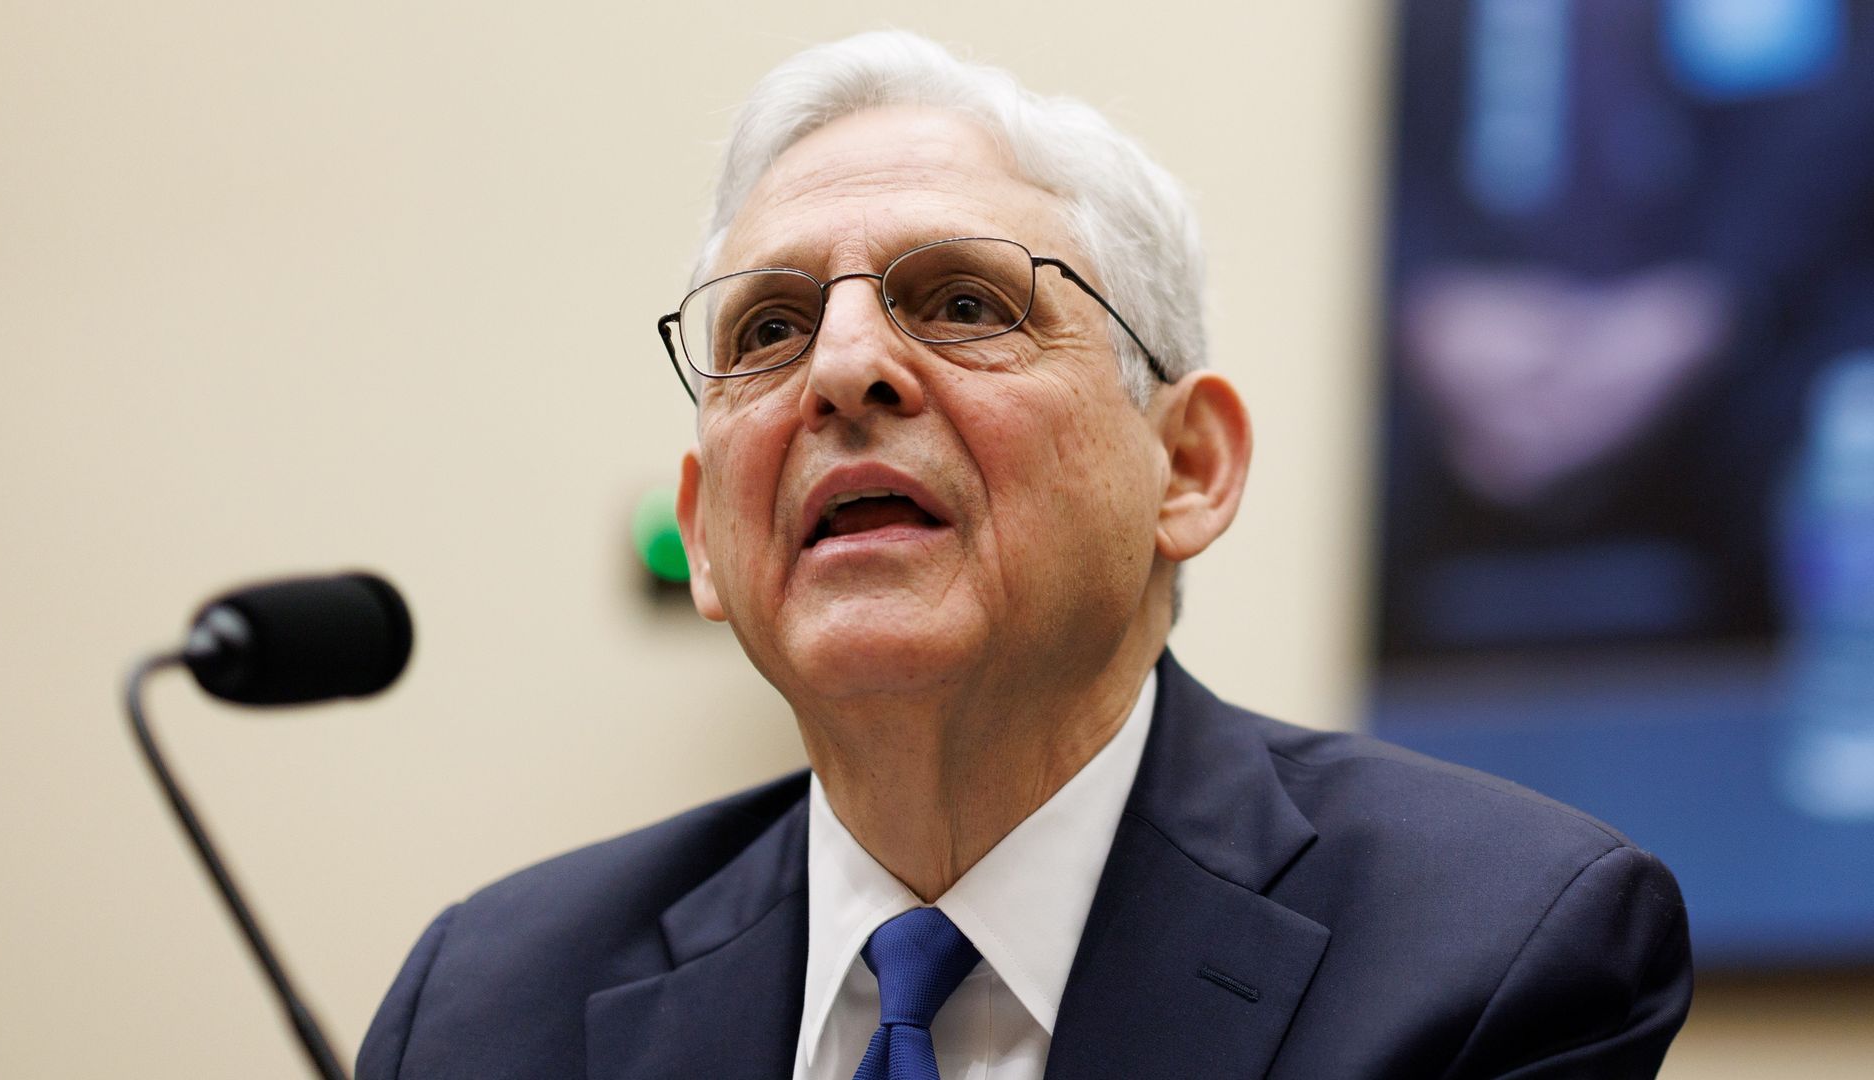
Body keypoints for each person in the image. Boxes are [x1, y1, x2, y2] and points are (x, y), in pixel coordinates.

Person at [358, 31, 1691, 1080]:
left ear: (1188, 467)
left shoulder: (1497, 949)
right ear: (707, 532)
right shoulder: (488, 1010)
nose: (842, 368)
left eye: (962, 302)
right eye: (768, 330)